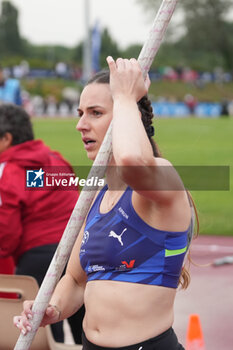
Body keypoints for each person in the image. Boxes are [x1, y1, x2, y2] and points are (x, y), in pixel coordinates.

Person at [14, 57, 196, 349]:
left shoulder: (162, 179)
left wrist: (125, 97)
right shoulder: (97, 195)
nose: (80, 125)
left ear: (128, 116)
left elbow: (132, 162)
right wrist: (54, 308)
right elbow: (75, 279)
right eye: (80, 113)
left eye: (95, 113)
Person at [0, 104, 85, 343]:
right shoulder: (56, 160)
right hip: (78, 254)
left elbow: (6, 231)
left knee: (43, 339)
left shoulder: (8, 169)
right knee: (85, 335)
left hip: (37, 260)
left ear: (7, 138)